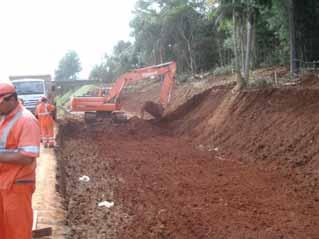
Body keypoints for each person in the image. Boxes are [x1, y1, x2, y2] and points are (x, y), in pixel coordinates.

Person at [0, 81, 40, 239]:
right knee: (4, 229)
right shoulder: (5, 119)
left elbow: (26, 157)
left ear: (11, 99)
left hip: (17, 184)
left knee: (18, 231)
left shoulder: (26, 121)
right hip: (4, 182)